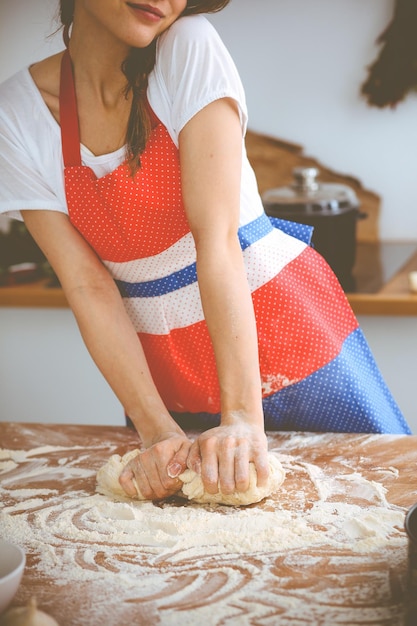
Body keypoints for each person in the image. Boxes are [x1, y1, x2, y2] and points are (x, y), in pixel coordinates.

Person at [0, 0, 411, 501]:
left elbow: (215, 241)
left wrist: (241, 417)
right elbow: (87, 285)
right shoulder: (16, 113)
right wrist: (155, 429)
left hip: (281, 338)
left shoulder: (188, 45)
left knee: (370, 501)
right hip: (161, 370)